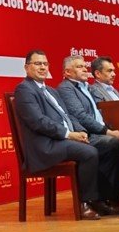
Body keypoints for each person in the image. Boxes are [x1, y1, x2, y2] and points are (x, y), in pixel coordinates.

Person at [12, 51, 106, 220]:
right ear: (26, 67)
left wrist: (81, 132)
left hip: (61, 140)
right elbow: (38, 122)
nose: (43, 67)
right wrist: (69, 134)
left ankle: (99, 199)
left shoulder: (51, 90)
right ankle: (84, 203)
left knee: (102, 146)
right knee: (89, 152)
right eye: (37, 63)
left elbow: (68, 115)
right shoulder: (24, 90)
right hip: (45, 146)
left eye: (45, 64)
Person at [57, 56, 119, 210]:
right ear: (68, 72)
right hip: (85, 135)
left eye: (84, 66)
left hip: (98, 132)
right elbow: (80, 116)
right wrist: (108, 131)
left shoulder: (86, 87)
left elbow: (100, 114)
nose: (85, 69)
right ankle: (108, 197)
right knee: (113, 143)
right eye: (79, 67)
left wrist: (114, 130)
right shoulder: (66, 88)